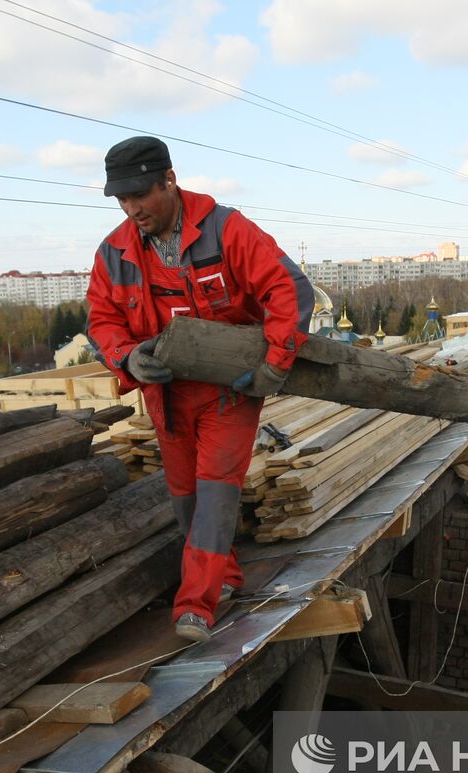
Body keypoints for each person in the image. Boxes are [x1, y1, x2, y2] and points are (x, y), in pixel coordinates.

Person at [86, 136, 314, 642]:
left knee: (214, 496)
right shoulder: (115, 252)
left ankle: (196, 606)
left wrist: (275, 363)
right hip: (166, 397)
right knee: (186, 498)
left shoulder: (226, 230)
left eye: (139, 195)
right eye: (121, 200)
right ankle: (225, 577)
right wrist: (127, 358)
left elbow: (288, 289)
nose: (131, 209)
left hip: (228, 389)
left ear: (169, 179)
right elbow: (101, 321)